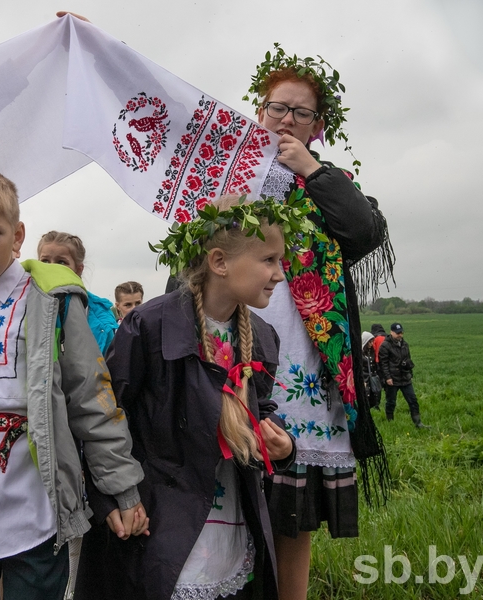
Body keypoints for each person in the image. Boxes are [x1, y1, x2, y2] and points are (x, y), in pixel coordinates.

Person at [0, 166, 146, 600]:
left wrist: (121, 489)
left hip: (31, 504)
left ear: (18, 235)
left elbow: (92, 398)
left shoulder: (51, 305)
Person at [78, 196, 302, 600]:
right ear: (219, 262)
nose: (279, 275)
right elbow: (106, 415)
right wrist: (111, 496)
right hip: (160, 512)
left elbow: (261, 406)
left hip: (230, 514)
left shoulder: (262, 336)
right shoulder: (150, 326)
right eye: (269, 260)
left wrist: (281, 441)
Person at [244, 46, 392, 600]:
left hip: (306, 365)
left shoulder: (331, 185)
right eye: (275, 108)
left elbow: (363, 231)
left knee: (292, 517)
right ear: (259, 114)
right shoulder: (230, 178)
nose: (284, 119)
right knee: (232, 502)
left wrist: (310, 169)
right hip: (237, 352)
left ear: (318, 126)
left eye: (299, 112)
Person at [37, 231, 119, 354]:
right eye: (45, 261)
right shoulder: (24, 305)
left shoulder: (100, 316)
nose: (51, 267)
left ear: (78, 269)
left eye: (61, 262)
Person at [379, 323, 428, 427]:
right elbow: (383, 364)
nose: (400, 335)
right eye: (397, 333)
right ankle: (390, 422)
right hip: (392, 379)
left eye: (401, 332)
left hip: (405, 377)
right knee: (391, 402)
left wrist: (410, 373)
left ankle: (418, 423)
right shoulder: (385, 346)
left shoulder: (405, 344)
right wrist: (387, 377)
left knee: (413, 400)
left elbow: (408, 359)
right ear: (391, 332)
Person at [360, 331, 382, 409]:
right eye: (370, 342)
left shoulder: (372, 351)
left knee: (376, 392)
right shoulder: (360, 353)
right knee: (366, 393)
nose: (372, 343)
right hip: (365, 377)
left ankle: (376, 406)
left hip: (372, 376)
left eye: (372, 341)